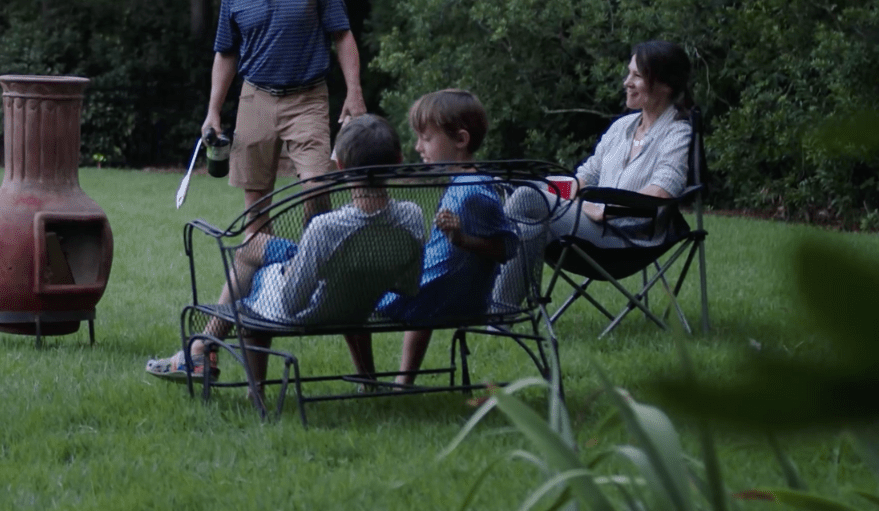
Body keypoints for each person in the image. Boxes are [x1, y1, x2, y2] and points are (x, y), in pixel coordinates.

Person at [146, 114, 422, 386]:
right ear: (398, 161)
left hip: (313, 308)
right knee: (257, 244)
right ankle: (367, 379)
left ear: (338, 166)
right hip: (360, 302)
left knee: (251, 262)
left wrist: (288, 269)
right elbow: (408, 285)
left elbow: (292, 301)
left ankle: (220, 365)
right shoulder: (412, 216)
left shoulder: (326, 227)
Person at [203, 0, 366, 214]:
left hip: (307, 98)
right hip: (256, 98)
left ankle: (315, 260)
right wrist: (213, 110)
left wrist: (354, 92)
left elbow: (343, 35)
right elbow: (225, 51)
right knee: (256, 199)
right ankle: (257, 261)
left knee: (317, 191)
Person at [377, 89, 516, 386]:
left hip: (440, 298)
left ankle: (381, 381)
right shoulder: (464, 184)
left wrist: (462, 239)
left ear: (461, 140)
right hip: (431, 292)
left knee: (351, 286)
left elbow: (506, 248)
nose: (417, 147)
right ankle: (403, 382)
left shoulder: (473, 192)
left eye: (426, 139)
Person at [548, 40, 695, 247]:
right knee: (532, 191)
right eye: (629, 73)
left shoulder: (677, 132)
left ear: (666, 85)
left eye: (637, 76)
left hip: (627, 236)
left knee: (529, 202)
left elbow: (662, 190)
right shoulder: (622, 127)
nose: (627, 82)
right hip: (590, 220)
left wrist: (606, 210)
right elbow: (588, 175)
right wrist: (554, 189)